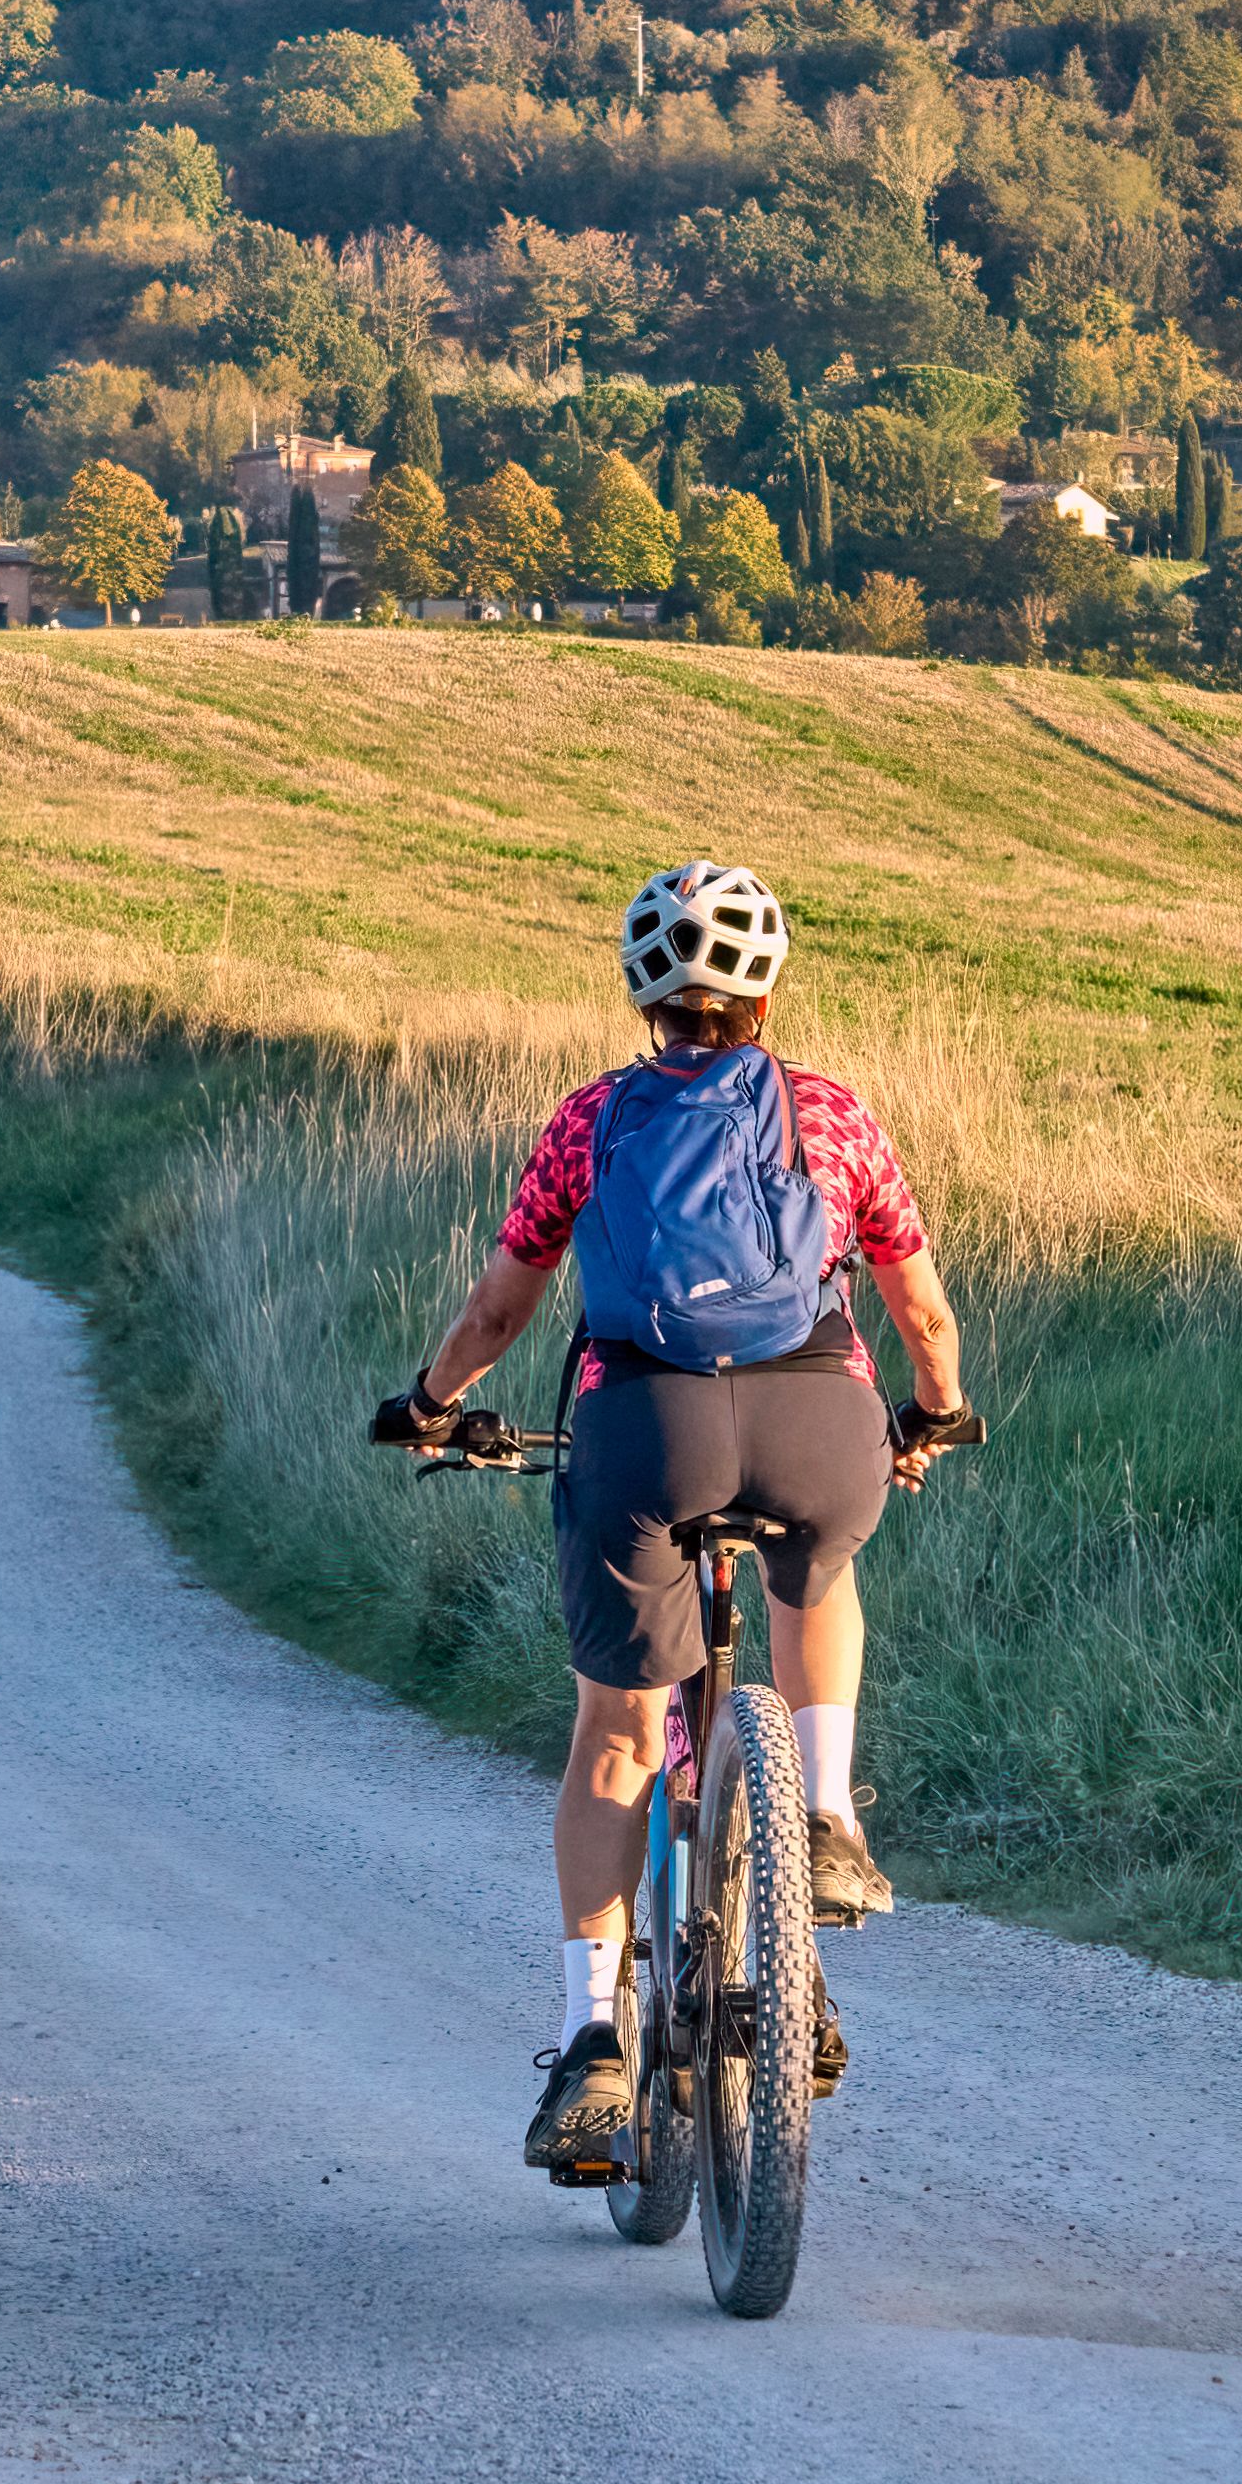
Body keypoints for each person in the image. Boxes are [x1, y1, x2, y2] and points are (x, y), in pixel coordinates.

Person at [373, 861, 975, 2184]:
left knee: (619, 1724)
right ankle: (823, 1817)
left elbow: (497, 1306)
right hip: (819, 1422)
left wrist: (431, 1402)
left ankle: (594, 2033)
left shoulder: (591, 1119)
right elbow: (923, 1314)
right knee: (816, 1579)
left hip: (645, 1430)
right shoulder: (831, 1113)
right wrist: (930, 1417)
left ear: (645, 989)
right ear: (766, 987)